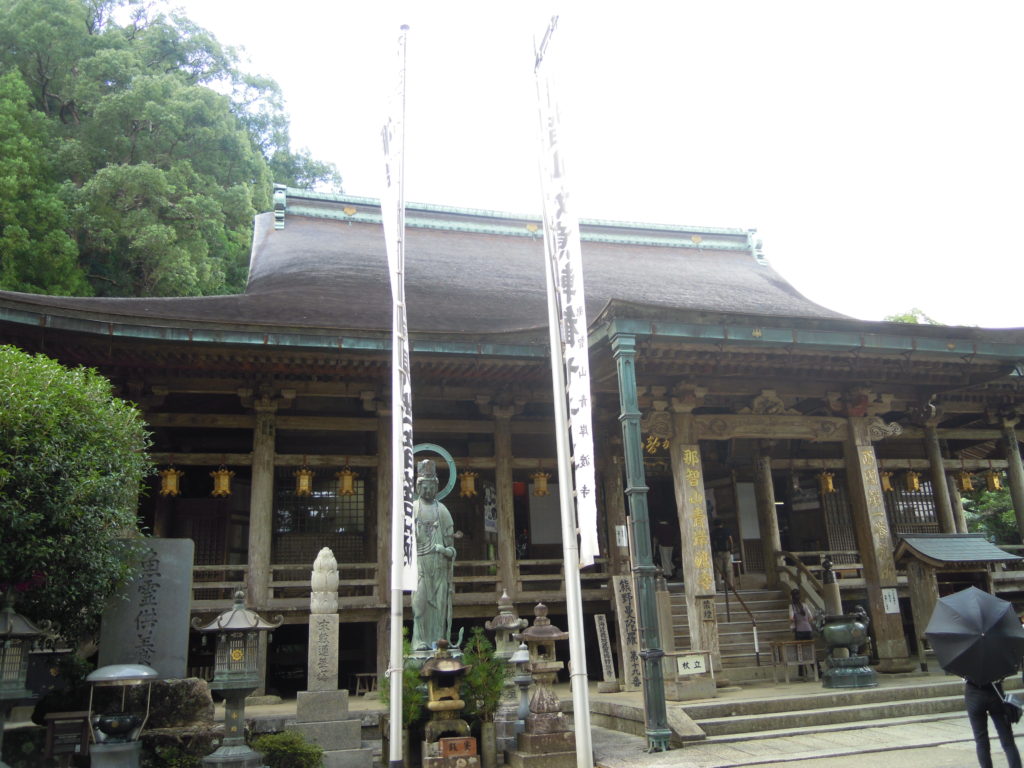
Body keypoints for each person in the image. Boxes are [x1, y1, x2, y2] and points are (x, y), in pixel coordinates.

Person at [411, 459, 456, 650]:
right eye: (424, 487)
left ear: (436, 486)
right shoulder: (412, 509)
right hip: (420, 564)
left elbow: (452, 548)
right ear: (417, 486)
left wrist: (444, 550)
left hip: (439, 567)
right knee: (419, 604)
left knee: (439, 606)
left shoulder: (442, 510)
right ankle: (419, 640)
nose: (428, 491)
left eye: (431, 487)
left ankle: (439, 640)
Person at [964, 676, 1021, 768]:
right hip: (995, 693)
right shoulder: (997, 661)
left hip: (973, 694)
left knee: (981, 741)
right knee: (1008, 740)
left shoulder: (967, 662)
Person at [788, 588, 816, 680]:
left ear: (791, 597)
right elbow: (811, 618)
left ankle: (803, 673)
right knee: (810, 651)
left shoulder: (792, 606)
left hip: (799, 630)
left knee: (800, 652)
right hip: (808, 629)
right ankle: (817, 671)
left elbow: (791, 618)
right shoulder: (804, 605)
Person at [710, 518, 734, 592]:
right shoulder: (726, 531)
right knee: (728, 569)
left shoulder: (713, 532)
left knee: (718, 570)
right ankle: (730, 585)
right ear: (722, 524)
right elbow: (730, 540)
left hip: (717, 553)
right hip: (726, 552)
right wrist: (731, 548)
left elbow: (711, 543)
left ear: (714, 525)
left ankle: (718, 587)